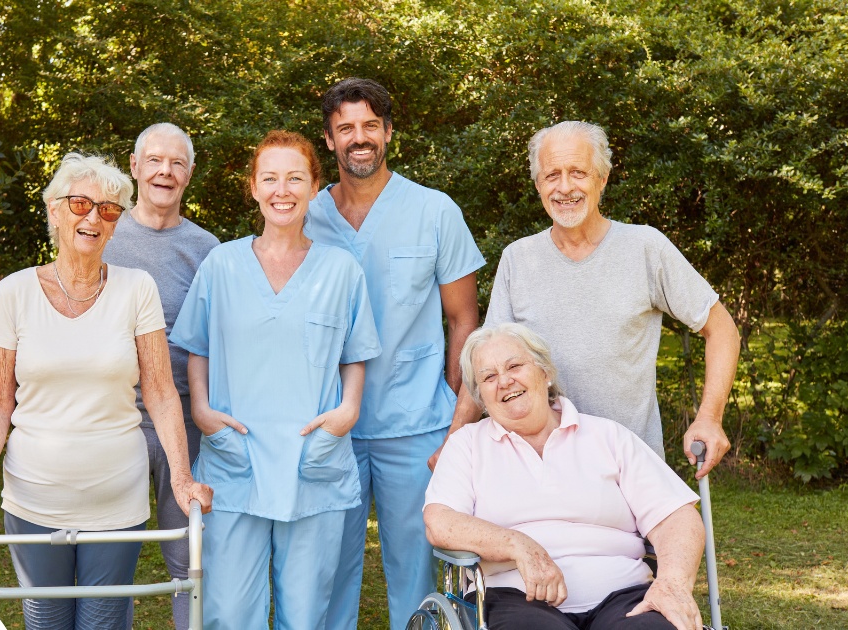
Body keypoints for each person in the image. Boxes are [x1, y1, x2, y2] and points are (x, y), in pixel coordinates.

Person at [0, 152, 212, 630]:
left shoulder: (137, 288)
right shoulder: (13, 292)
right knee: (46, 620)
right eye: (80, 204)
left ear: (117, 224)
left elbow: (159, 390)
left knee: (103, 622)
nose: (94, 217)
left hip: (116, 499)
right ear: (54, 210)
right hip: (33, 496)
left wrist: (181, 476)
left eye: (109, 209)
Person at [440, 120, 740, 478]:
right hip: (540, 470)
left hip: (630, 470)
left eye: (578, 173)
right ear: (538, 185)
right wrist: (455, 441)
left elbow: (722, 330)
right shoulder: (518, 258)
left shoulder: (645, 247)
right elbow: (486, 365)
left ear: (602, 179)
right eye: (551, 175)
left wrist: (709, 417)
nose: (564, 187)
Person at [170, 130, 381, 629]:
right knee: (227, 611)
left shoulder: (341, 270)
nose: (281, 189)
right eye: (270, 178)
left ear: (314, 186)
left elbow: (356, 354)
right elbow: (196, 346)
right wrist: (201, 408)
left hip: (312, 456)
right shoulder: (221, 264)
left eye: (294, 178)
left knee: (308, 614)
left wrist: (348, 410)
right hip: (235, 455)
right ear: (253, 187)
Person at [305, 78, 485, 630]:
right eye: (345, 129)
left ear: (387, 132)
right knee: (327, 565)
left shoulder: (435, 211)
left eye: (368, 126)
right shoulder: (307, 215)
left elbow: (464, 319)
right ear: (330, 140)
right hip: (329, 422)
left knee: (416, 568)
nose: (358, 139)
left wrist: (458, 415)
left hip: (416, 423)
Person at [425, 323, 706, 630]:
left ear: (545, 373)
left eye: (515, 366)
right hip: (513, 598)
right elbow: (440, 521)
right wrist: (519, 545)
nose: (504, 381)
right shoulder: (467, 445)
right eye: (489, 377)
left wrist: (672, 585)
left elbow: (676, 516)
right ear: (481, 397)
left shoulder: (607, 436)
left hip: (624, 595)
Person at [101, 122, 219, 629]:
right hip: (113, 422)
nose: (164, 172)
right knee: (109, 565)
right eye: (154, 161)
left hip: (183, 423)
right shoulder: (101, 236)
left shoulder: (208, 249)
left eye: (176, 163)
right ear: (134, 167)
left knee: (188, 560)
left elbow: (219, 342)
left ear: (189, 174)